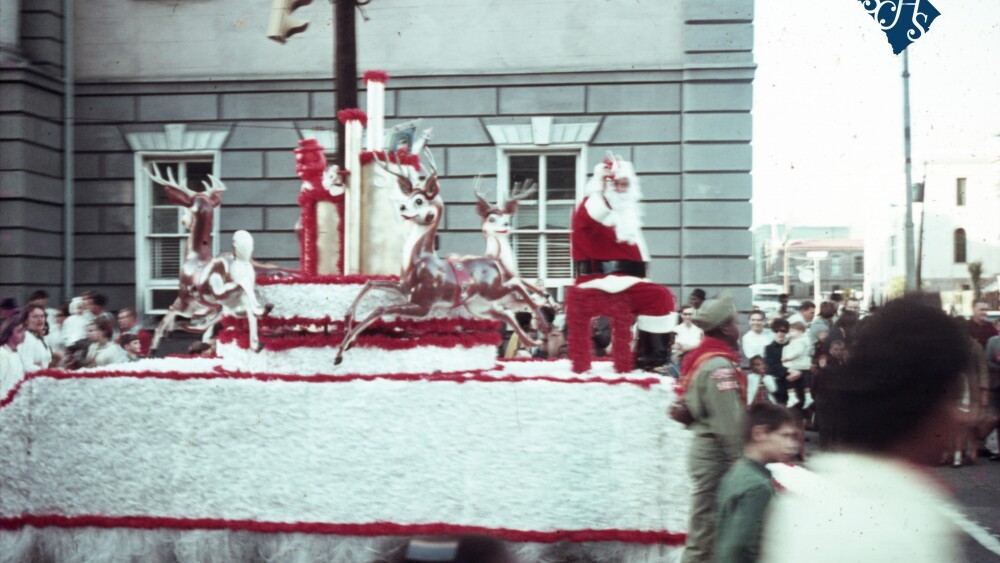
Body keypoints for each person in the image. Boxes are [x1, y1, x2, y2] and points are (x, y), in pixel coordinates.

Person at [760, 297, 971, 562]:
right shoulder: (906, 527)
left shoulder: (804, 502)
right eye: (952, 399)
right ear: (923, 406)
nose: (965, 417)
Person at [571, 156, 676, 370]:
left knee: (660, 297)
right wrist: (600, 185)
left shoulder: (626, 217)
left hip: (623, 283)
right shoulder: (591, 207)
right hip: (599, 281)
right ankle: (653, 358)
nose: (621, 189)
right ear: (607, 185)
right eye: (616, 184)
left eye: (625, 184)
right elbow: (592, 213)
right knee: (660, 295)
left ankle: (651, 356)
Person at [677, 297, 746, 563]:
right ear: (726, 328)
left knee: (709, 529)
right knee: (704, 534)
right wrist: (742, 459)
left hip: (708, 452)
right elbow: (729, 422)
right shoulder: (719, 366)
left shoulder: (705, 357)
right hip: (715, 455)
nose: (738, 327)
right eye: (735, 322)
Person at [714, 403, 798, 563]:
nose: (791, 444)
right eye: (784, 436)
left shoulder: (737, 472)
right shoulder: (758, 486)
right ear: (759, 434)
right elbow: (738, 548)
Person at [780, 321, 812, 409]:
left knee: (789, 378)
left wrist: (787, 358)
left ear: (801, 331)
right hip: (801, 364)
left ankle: (793, 397)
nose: (791, 333)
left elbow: (797, 352)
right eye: (790, 331)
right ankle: (805, 397)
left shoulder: (801, 341)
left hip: (799, 364)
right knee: (805, 383)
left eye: (793, 331)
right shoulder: (796, 339)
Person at [17, 304, 54, 373]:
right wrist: (43, 369)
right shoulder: (26, 338)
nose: (40, 319)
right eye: (35, 317)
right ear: (26, 321)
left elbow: (47, 362)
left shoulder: (42, 338)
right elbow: (26, 366)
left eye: (42, 316)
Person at [0, 316, 27, 397]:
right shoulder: (2, 354)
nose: (23, 334)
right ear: (9, 334)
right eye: (19, 331)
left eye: (24, 330)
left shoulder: (17, 353)